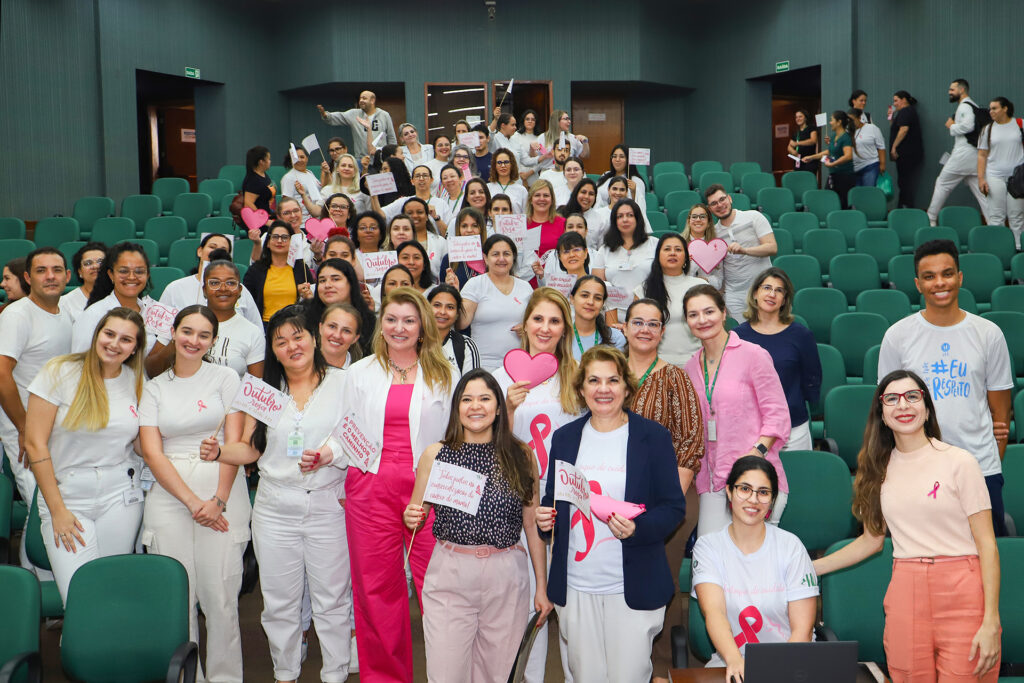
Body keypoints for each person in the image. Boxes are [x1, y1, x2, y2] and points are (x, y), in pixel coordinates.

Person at [813, 370, 1001, 682]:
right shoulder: (877, 469)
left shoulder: (960, 462)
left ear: (927, 408)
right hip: (906, 588)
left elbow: (987, 546)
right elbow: (871, 541)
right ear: (881, 414)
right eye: (892, 399)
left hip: (961, 590)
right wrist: (810, 568)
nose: (903, 405)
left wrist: (991, 621)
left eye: (913, 396)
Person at [214, 305, 352, 683]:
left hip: (328, 505)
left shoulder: (345, 383)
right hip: (276, 508)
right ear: (272, 350)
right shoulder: (264, 392)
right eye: (281, 341)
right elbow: (249, 450)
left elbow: (360, 438)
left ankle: (336, 673)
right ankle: (286, 672)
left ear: (314, 338)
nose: (292, 346)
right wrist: (221, 452)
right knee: (279, 601)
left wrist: (330, 454)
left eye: (298, 336)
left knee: (332, 600)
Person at [536, 346, 686, 683]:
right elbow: (553, 500)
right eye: (594, 380)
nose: (603, 389)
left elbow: (674, 508)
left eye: (613, 380)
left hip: (631, 586)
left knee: (628, 677)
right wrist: (546, 521)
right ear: (581, 389)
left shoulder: (653, 437)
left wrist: (637, 528)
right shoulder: (564, 438)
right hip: (576, 586)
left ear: (627, 388)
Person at [339, 288, 457, 683]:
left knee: (440, 591)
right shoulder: (359, 372)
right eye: (391, 319)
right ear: (380, 325)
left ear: (422, 325)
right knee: (376, 592)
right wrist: (324, 454)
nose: (399, 327)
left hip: (433, 490)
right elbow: (345, 432)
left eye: (409, 320)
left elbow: (460, 436)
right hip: (371, 488)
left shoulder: (446, 373)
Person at [404, 369, 552, 683]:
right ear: (457, 407)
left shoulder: (521, 455)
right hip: (450, 572)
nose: (476, 406)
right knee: (445, 674)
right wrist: (410, 517)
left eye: (485, 398)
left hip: (506, 574)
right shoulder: (436, 455)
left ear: (499, 407)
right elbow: (416, 511)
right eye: (467, 399)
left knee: (496, 675)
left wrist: (541, 585)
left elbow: (531, 522)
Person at [139, 305, 251, 683]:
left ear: (214, 341)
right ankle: (188, 678)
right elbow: (152, 451)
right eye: (187, 332)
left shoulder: (226, 378)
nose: (194, 341)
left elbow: (234, 443)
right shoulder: (154, 387)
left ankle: (223, 678)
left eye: (204, 335)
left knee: (220, 595)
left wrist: (217, 500)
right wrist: (191, 503)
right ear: (173, 331)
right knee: (178, 596)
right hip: (171, 494)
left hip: (222, 488)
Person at [878, 239, 1013, 537]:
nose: (940, 282)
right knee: (924, 558)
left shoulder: (989, 334)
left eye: (947, 273)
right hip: (918, 469)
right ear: (918, 283)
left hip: (980, 470)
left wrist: (987, 458)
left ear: (960, 277)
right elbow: (886, 410)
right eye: (929, 276)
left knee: (983, 560)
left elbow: (1001, 411)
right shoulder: (897, 336)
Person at [25, 307, 145, 603]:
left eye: (126, 340)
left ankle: (100, 648)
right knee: (80, 596)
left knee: (110, 589)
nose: (115, 344)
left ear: (135, 349)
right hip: (67, 496)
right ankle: (81, 646)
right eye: (109, 334)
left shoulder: (136, 380)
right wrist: (57, 512)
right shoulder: (59, 370)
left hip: (121, 496)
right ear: (96, 335)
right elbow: (34, 444)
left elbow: (141, 445)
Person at [494, 287, 581, 683]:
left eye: (554, 321)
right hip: (518, 501)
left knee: (569, 598)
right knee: (530, 596)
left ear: (565, 329)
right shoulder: (499, 377)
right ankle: (529, 676)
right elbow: (488, 448)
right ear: (523, 324)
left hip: (567, 502)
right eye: (538, 319)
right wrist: (507, 410)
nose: (545, 328)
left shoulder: (577, 377)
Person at [624, 297, 704, 683]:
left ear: (662, 331)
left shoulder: (674, 375)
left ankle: (661, 665)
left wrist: (668, 501)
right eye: (636, 321)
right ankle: (624, 656)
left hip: (668, 498)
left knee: (662, 577)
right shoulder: (606, 372)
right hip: (612, 498)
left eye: (653, 324)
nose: (644, 329)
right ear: (624, 327)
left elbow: (690, 440)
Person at [692, 456, 817, 681]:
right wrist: (734, 659)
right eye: (744, 489)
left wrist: (776, 671)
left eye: (763, 492)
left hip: (790, 662)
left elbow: (803, 630)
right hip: (731, 661)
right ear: (729, 492)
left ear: (772, 500)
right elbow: (714, 612)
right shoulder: (708, 547)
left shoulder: (791, 546)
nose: (753, 499)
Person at [683, 284, 790, 536]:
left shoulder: (754, 355)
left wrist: (755, 455)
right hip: (712, 480)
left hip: (754, 478)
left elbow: (777, 415)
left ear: (723, 312)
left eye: (709, 311)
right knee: (710, 555)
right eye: (693, 314)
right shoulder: (690, 366)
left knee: (754, 564)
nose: (702, 320)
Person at [0, 247, 73, 575]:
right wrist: (24, 426)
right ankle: (39, 589)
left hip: (56, 428)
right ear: (28, 278)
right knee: (40, 505)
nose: (50, 277)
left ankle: (46, 587)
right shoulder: (17, 315)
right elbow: (1, 372)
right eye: (41, 271)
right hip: (25, 429)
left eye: (57, 270)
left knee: (47, 506)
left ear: (68, 276)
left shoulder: (66, 313)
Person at [734, 268, 821, 451]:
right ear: (756, 293)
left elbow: (812, 378)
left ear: (784, 300)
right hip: (750, 430)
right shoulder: (737, 336)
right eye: (767, 288)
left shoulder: (801, 335)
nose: (772, 294)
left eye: (779, 290)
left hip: (794, 428)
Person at [147, 257, 265, 380]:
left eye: (230, 283)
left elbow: (254, 388)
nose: (223, 288)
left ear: (240, 290)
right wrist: (177, 339)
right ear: (204, 290)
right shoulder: (184, 322)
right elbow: (151, 371)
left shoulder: (252, 332)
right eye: (214, 283)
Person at [459, 235, 534, 371]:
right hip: (481, 364)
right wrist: (453, 296)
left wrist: (527, 328)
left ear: (513, 257)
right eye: (495, 254)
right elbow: (461, 323)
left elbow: (535, 322)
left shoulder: (525, 287)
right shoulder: (475, 284)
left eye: (506, 254)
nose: (501, 259)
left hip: (518, 364)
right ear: (486, 258)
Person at [703, 185, 776, 320]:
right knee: (741, 339)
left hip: (763, 289)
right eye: (714, 203)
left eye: (722, 199)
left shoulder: (753, 217)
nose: (719, 205)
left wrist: (745, 250)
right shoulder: (713, 234)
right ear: (710, 209)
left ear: (729, 199)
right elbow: (719, 270)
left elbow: (772, 247)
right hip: (734, 296)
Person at [159, 233, 262, 329]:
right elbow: (160, 329)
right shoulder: (175, 288)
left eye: (223, 249)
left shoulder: (239, 290)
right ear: (200, 251)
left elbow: (256, 327)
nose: (216, 252)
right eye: (212, 247)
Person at [72, 242, 157, 355]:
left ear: (147, 275)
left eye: (139, 271)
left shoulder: (153, 312)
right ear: (111, 274)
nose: (132, 277)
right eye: (123, 271)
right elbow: (79, 363)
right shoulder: (94, 314)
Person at [635, 233, 705, 367]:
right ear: (658, 255)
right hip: (655, 364)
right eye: (667, 249)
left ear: (686, 257)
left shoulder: (700, 286)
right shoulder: (643, 290)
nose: (672, 253)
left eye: (678, 249)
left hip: (697, 362)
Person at [927, 79, 989, 225]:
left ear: (962, 90)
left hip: (964, 153)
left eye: (952, 89)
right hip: (975, 154)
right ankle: (994, 223)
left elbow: (968, 126)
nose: (949, 92)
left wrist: (952, 126)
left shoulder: (964, 107)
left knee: (942, 183)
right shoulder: (973, 105)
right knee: (980, 192)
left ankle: (930, 219)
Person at [592, 198, 657, 322]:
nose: (625, 219)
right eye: (620, 216)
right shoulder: (605, 250)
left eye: (630, 215)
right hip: (613, 316)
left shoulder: (654, 244)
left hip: (648, 311)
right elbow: (598, 285)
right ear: (614, 221)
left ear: (638, 219)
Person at [241, 222, 315, 325]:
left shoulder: (301, 268)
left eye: (284, 237)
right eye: (275, 237)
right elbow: (246, 300)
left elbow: (311, 299)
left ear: (291, 242)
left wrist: (306, 295)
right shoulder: (256, 270)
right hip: (264, 326)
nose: (279, 241)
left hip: (295, 324)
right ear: (267, 242)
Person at [304, 258, 376, 355]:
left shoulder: (368, 319)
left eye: (335, 279)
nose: (327, 285)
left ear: (351, 283)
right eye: (322, 280)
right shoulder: (304, 314)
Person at [978, 96, 1024, 249]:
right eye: (990, 108)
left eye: (995, 108)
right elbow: (982, 155)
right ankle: (998, 248)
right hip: (994, 176)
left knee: (1016, 215)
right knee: (996, 215)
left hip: (1017, 178)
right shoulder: (988, 129)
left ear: (1005, 108)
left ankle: (1018, 248)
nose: (991, 111)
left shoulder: (1020, 124)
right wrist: (981, 179)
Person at [801, 110, 856, 208]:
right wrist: (812, 157)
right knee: (829, 201)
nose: (830, 122)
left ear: (839, 122)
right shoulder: (834, 136)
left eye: (832, 120)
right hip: (833, 175)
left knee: (843, 204)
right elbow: (829, 152)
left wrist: (832, 164)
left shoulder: (845, 138)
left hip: (845, 177)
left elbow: (848, 156)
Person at [318, 90, 397, 156]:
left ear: (372, 100)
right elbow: (339, 116)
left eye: (364, 98)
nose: (361, 100)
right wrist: (325, 115)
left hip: (380, 159)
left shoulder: (384, 115)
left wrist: (393, 155)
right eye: (360, 98)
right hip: (361, 160)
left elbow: (391, 138)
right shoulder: (354, 114)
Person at [427, 284, 480, 377]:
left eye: (450, 307)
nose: (442, 312)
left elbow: (473, 387)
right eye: (437, 305)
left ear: (457, 313)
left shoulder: (466, 345)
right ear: (426, 308)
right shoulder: (414, 342)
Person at [567, 275, 625, 358]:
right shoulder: (561, 335)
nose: (590, 302)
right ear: (572, 299)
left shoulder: (615, 337)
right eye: (584, 295)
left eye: (597, 298)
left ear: (602, 304)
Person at [890, 90, 925, 209]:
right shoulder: (908, 112)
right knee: (904, 181)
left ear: (904, 100)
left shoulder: (906, 111)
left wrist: (894, 147)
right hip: (911, 154)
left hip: (906, 154)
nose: (894, 104)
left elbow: (903, 130)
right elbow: (897, 129)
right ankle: (903, 205)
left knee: (905, 182)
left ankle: (906, 206)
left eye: (896, 101)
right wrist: (891, 120)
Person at [439, 207, 487, 290]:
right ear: (458, 229)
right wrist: (447, 287)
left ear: (481, 229)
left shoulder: (489, 256)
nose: (469, 230)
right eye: (464, 226)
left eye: (474, 226)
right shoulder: (449, 259)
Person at [680, 204, 724, 288]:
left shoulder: (716, 247)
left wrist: (705, 280)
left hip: (706, 292)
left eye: (702, 216)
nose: (698, 220)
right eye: (694, 217)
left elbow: (719, 282)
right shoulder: (679, 244)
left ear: (708, 222)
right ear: (689, 221)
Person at [59, 242, 106, 322]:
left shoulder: (120, 296)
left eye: (100, 262)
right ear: (80, 271)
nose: (95, 266)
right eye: (88, 263)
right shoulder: (65, 303)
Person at [597, 145, 648, 214]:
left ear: (628, 160)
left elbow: (639, 206)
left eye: (622, 156)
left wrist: (633, 192)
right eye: (614, 156)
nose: (617, 159)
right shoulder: (605, 175)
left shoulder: (636, 181)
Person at [561, 178, 610, 247]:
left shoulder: (601, 220)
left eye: (591, 194)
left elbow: (601, 249)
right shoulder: (562, 213)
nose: (586, 197)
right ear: (576, 193)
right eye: (583, 192)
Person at [848, 107, 888, 187]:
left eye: (852, 120)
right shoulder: (849, 131)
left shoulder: (872, 128)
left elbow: (881, 147)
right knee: (857, 194)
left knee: (868, 191)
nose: (850, 123)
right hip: (854, 167)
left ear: (859, 118)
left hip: (870, 165)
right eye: (848, 121)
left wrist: (882, 164)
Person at [282, 146, 323, 221]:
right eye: (296, 157)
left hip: (317, 220)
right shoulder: (288, 177)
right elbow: (286, 203)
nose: (299, 160)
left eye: (302, 157)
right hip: (302, 222)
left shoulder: (310, 173)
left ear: (307, 158)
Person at [317, 302, 363, 370]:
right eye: (332, 326)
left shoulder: (361, 373)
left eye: (346, 331)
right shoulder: (298, 367)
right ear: (321, 328)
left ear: (355, 338)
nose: (337, 335)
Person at [487, 148, 528, 213]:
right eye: (499, 162)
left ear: (512, 165)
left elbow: (525, 214)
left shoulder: (522, 190)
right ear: (495, 166)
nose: (503, 166)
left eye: (506, 162)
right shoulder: (487, 188)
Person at [242, 145, 276, 220]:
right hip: (260, 224)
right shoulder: (254, 181)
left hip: (270, 216)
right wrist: (264, 220)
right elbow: (248, 204)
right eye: (269, 159)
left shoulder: (263, 175)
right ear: (261, 162)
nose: (270, 161)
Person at [787, 110, 819, 176]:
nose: (798, 119)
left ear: (805, 118)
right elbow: (789, 146)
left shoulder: (811, 128)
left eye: (800, 117)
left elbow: (813, 140)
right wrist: (793, 151)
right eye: (796, 117)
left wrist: (797, 143)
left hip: (810, 161)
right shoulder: (796, 132)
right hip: (798, 161)